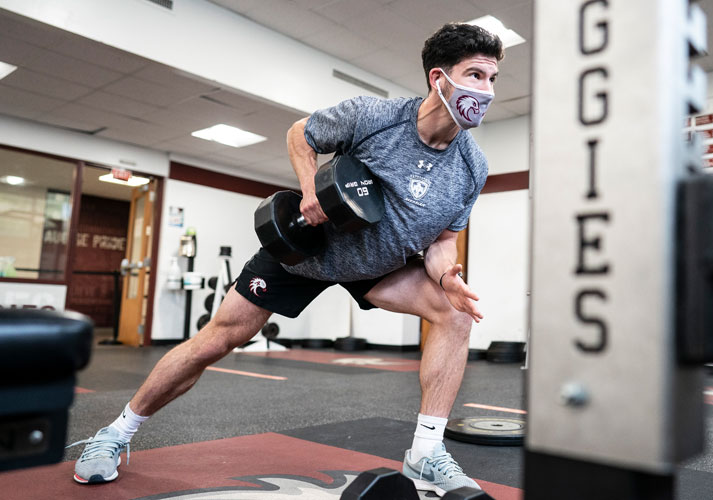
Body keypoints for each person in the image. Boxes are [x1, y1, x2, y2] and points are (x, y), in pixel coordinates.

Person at [69, 22, 503, 497]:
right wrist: (311, 187)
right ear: (439, 79)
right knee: (218, 340)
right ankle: (114, 433)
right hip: (306, 250)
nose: (486, 91)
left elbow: (443, 239)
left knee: (455, 316)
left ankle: (426, 452)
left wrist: (446, 276)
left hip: (378, 267)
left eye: (492, 79)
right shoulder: (375, 116)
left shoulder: (471, 167)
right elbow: (301, 134)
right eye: (476, 76)